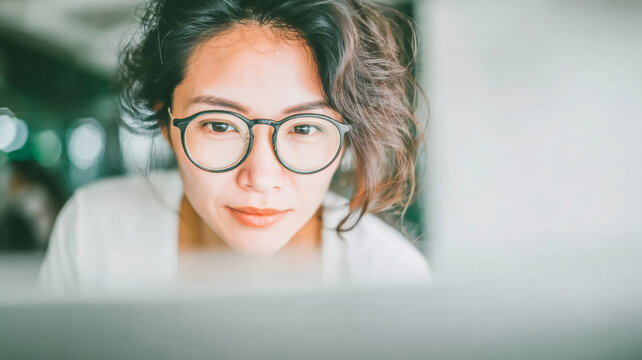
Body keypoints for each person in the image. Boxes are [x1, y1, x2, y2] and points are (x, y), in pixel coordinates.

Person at [39, 0, 430, 292]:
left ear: (347, 137)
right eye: (221, 125)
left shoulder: (390, 279)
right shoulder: (95, 232)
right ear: (165, 124)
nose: (260, 178)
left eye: (305, 129)